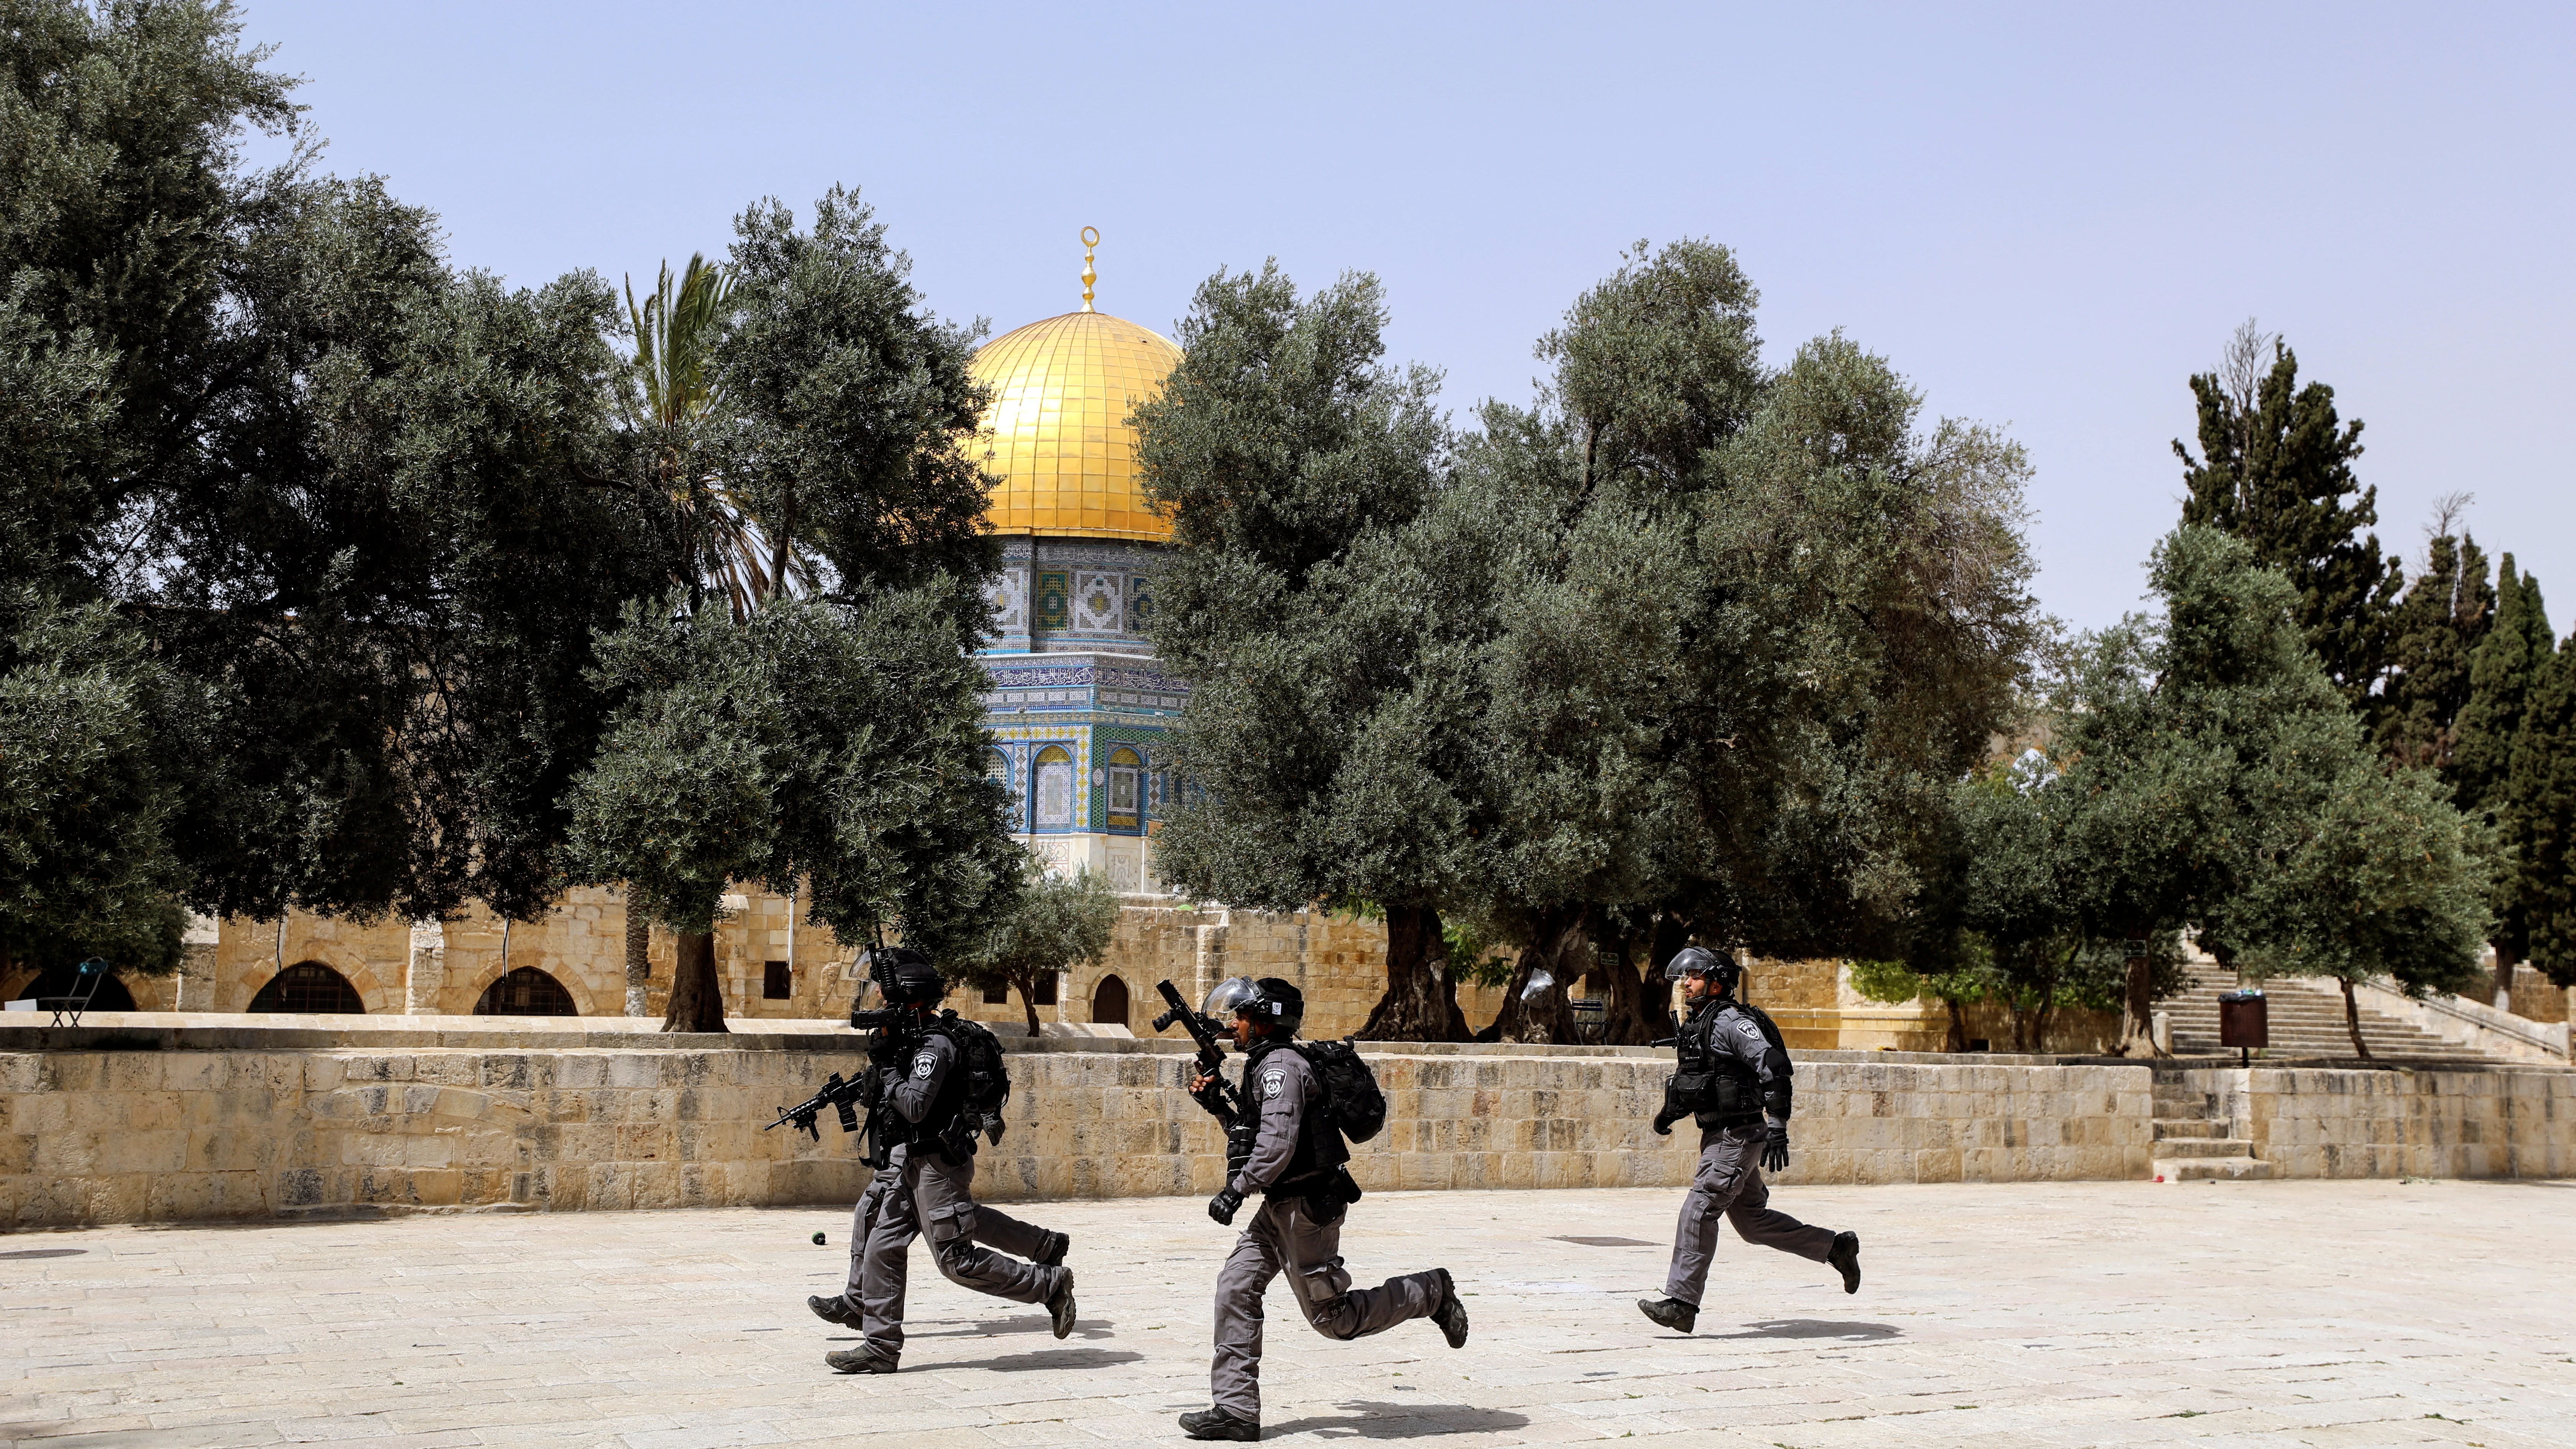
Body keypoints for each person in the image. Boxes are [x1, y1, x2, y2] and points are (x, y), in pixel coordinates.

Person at [1177, 976, 1470, 1442]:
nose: (1234, 1025)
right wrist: (1216, 1106)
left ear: (1266, 1020)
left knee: (1334, 1321)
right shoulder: (1264, 1065)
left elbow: (1277, 1144)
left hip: (1307, 1208)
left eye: (1242, 1016)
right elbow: (1251, 1138)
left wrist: (1236, 1190)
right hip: (1280, 1207)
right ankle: (1235, 1411)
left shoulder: (1281, 1069)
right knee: (1235, 1287)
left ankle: (1430, 1292)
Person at [813, 948, 1076, 1374]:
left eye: (887, 996)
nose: (879, 1002)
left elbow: (916, 1106)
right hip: (911, 1161)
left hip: (938, 1163)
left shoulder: (934, 1045)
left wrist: (888, 1070)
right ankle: (880, 1347)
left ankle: (1049, 1285)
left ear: (911, 999)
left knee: (957, 1260)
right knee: (882, 1246)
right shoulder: (912, 1041)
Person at [1637, 946, 1861, 1334]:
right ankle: (1834, 1248)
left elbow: (1773, 1067)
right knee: (1753, 1224)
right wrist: (1668, 1114)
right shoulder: (1701, 1023)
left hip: (1736, 1135)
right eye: (1685, 976)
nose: (1685, 983)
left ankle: (1682, 1303)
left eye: (1694, 976)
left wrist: (1777, 1125)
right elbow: (1698, 1078)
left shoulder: (1731, 1022)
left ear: (1717, 981)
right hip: (1718, 1135)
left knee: (1699, 1208)